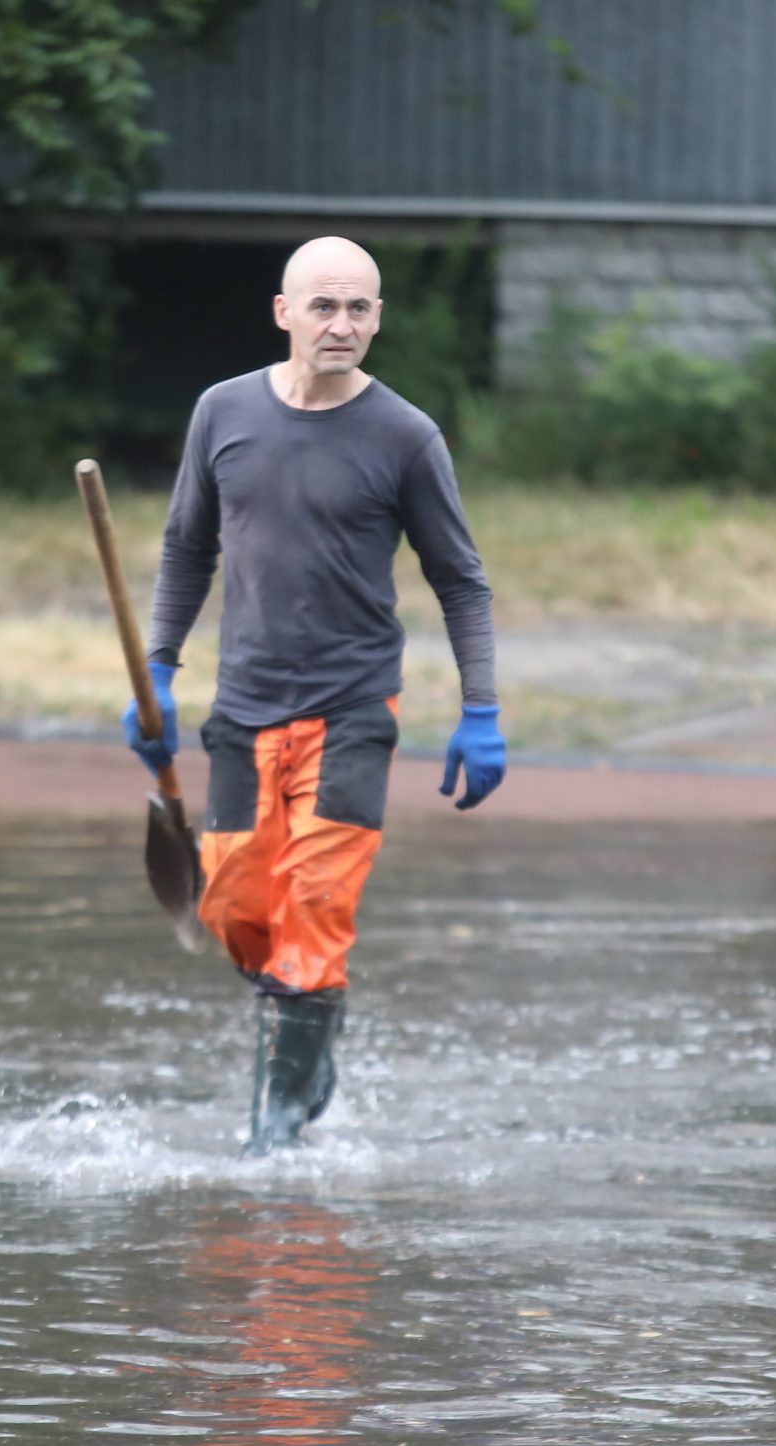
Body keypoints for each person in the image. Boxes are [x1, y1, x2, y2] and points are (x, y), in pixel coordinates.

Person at [124, 235, 505, 1155]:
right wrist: (160, 672)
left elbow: (461, 579)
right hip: (243, 711)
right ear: (283, 311)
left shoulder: (406, 437)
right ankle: (312, 1045)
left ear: (378, 318)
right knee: (236, 909)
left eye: (361, 309)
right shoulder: (223, 412)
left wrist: (481, 710)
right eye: (324, 306)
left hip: (351, 715)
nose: (343, 325)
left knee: (316, 909)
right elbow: (187, 547)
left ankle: (274, 1134)